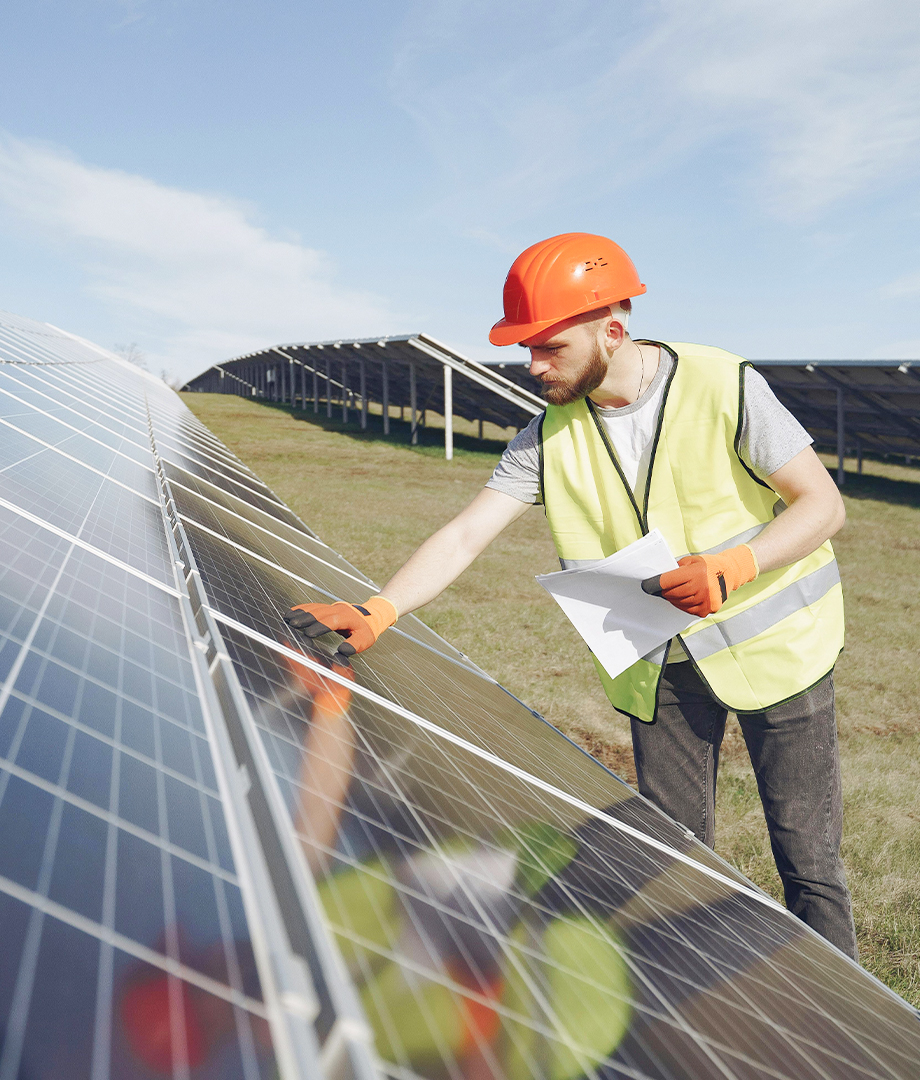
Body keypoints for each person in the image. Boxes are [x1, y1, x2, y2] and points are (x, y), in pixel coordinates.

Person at [284, 233, 856, 959]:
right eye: (526, 348)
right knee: (671, 853)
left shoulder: (722, 384)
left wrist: (734, 563)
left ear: (611, 331)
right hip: (658, 662)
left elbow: (822, 505)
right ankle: (689, 1016)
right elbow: (466, 535)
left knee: (809, 862)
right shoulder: (546, 434)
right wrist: (380, 608)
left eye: (548, 346)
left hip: (780, 650)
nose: (531, 365)